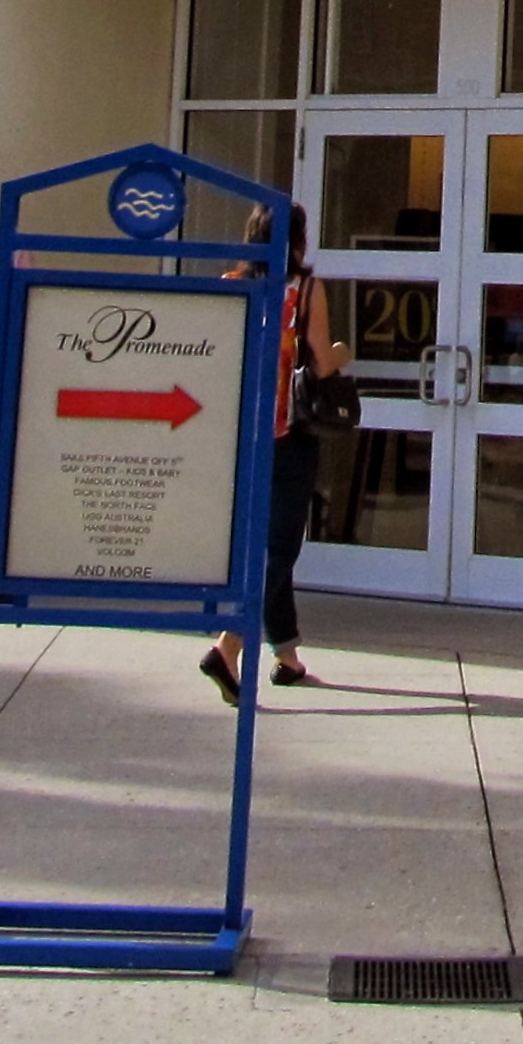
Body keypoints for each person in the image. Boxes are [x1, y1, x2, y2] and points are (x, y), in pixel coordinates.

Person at [203, 201, 346, 705]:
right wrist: (344, 354)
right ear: (299, 239)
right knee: (279, 546)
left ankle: (286, 656)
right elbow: (323, 364)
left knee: (264, 545)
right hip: (289, 431)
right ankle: (229, 645)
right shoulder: (305, 289)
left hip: (239, 432)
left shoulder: (231, 283)